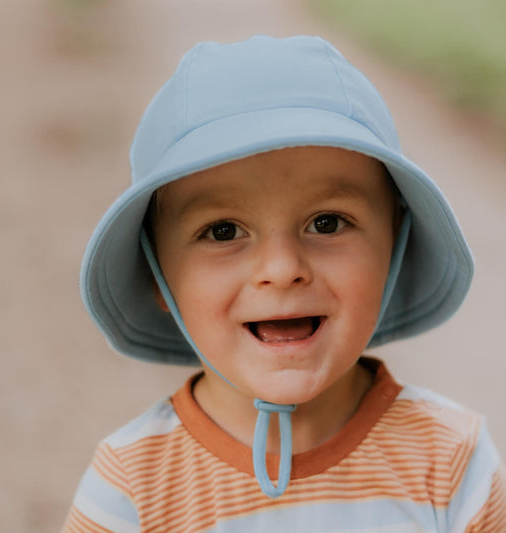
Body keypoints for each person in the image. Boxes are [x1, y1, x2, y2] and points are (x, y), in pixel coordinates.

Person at [63, 36, 505, 532]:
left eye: (328, 223)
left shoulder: (451, 463)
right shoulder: (131, 488)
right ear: (157, 277)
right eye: (223, 231)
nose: (281, 267)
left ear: (395, 246)